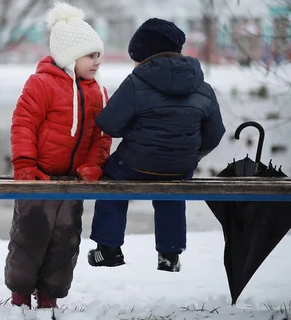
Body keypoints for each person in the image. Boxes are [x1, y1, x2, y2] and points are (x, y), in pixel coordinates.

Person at [87, 18, 226, 272]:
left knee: (111, 182)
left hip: (134, 164)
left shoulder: (135, 82)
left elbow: (110, 124)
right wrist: (192, 155)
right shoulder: (202, 86)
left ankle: (108, 250)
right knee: (173, 188)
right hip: (180, 166)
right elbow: (215, 133)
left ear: (142, 55)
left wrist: (135, 130)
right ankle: (169, 255)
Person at [5, 2, 112, 309]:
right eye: (90, 55)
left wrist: (94, 164)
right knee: (30, 236)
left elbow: (102, 136)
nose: (96, 62)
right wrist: (24, 163)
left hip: (72, 181)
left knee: (66, 239)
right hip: (38, 178)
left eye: (98, 56)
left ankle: (50, 295)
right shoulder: (41, 84)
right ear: (69, 55)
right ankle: (20, 294)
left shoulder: (98, 92)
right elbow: (23, 123)